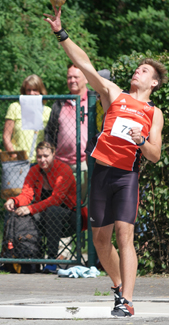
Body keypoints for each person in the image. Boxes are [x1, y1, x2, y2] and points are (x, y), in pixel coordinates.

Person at [44, 7, 167, 317]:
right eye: (137, 68)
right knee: (100, 240)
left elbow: (155, 155)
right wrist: (61, 33)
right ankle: (116, 287)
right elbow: (84, 64)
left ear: (153, 83)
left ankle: (126, 300)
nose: (137, 72)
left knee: (125, 235)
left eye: (143, 71)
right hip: (101, 172)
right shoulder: (114, 93)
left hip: (126, 177)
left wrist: (141, 141)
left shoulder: (154, 113)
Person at [4, 141, 88, 273]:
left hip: (72, 219)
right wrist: (14, 201)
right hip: (45, 220)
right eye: (39, 156)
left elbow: (56, 199)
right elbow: (26, 194)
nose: (42, 160)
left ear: (54, 154)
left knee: (52, 210)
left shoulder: (63, 170)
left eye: (46, 156)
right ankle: (28, 258)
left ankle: (51, 260)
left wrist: (30, 209)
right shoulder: (34, 171)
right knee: (21, 214)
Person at [44, 64, 89, 259]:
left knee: (87, 208)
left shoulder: (94, 101)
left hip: (88, 164)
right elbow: (49, 132)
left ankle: (92, 254)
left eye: (76, 77)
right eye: (69, 77)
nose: (72, 81)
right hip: (62, 166)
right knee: (62, 209)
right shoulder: (60, 103)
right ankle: (64, 255)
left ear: (85, 78)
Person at [3, 74, 51, 164]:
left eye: (35, 90)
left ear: (41, 91)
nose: (31, 93)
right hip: (19, 160)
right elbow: (6, 136)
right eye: (28, 90)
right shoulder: (15, 107)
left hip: (40, 162)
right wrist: (15, 156)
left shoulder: (48, 111)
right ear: (24, 92)